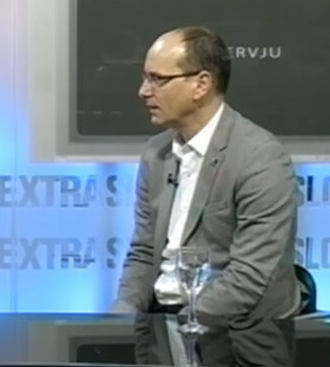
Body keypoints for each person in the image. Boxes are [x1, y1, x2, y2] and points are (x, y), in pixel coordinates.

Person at [113, 26, 302, 318]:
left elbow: (249, 276)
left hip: (237, 328)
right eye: (145, 78)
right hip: (161, 318)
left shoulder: (261, 158)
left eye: (157, 79)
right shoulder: (156, 154)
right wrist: (119, 320)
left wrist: (182, 329)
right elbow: (144, 253)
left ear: (201, 85)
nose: (144, 91)